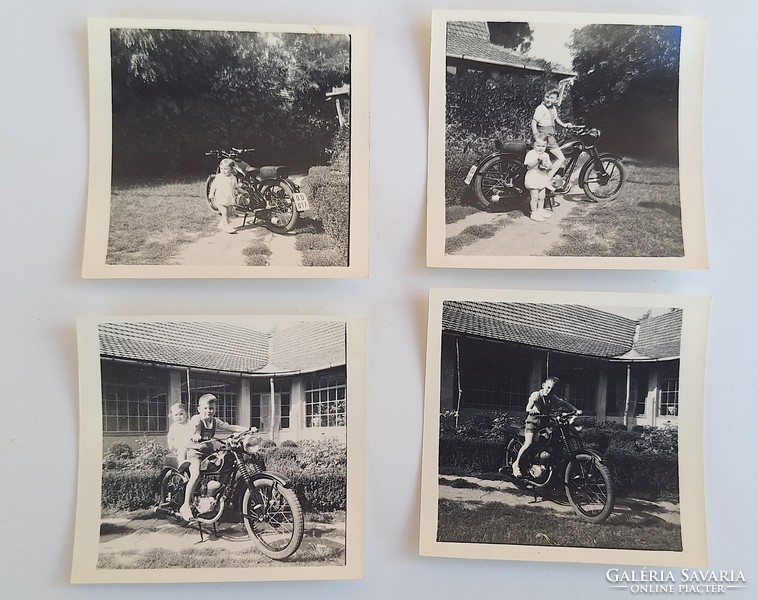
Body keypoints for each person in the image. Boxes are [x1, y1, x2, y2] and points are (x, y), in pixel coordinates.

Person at [179, 394, 248, 522]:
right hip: (195, 452)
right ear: (199, 409)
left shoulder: (215, 421)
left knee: (226, 465)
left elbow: (230, 427)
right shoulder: (196, 419)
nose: (208, 411)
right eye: (205, 408)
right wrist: (196, 435)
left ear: (215, 409)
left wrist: (247, 429)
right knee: (196, 474)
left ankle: (213, 496)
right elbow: (194, 428)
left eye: (211, 408)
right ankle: (185, 505)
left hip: (208, 452)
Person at [512, 377, 581, 478]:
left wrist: (575, 410)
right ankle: (516, 464)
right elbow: (528, 406)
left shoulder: (553, 398)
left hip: (544, 424)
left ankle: (547, 465)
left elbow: (564, 403)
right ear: (543, 385)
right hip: (533, 423)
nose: (549, 391)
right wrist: (531, 410)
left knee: (554, 441)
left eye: (552, 389)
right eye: (548, 387)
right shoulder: (536, 395)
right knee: (529, 443)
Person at [531, 87, 573, 190]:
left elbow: (555, 118)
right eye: (547, 97)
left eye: (551, 98)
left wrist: (564, 125)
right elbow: (534, 122)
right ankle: (547, 180)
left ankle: (548, 177)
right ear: (544, 96)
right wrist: (536, 136)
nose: (548, 100)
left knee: (549, 159)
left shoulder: (552, 108)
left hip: (550, 136)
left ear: (556, 100)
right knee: (561, 158)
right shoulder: (541, 108)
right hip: (545, 136)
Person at [524, 133, 554, 222]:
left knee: (542, 196)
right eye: (538, 146)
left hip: (542, 177)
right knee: (535, 197)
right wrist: (538, 160)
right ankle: (534, 213)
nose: (541, 148)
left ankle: (541, 210)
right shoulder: (531, 154)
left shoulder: (545, 155)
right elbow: (529, 166)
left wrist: (548, 166)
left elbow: (550, 166)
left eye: (543, 146)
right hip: (533, 177)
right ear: (533, 144)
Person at [208, 158, 239, 234]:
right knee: (224, 212)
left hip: (229, 199)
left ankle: (222, 224)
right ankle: (226, 225)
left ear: (231, 169)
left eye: (226, 169)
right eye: (221, 169)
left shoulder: (233, 178)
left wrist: (243, 191)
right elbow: (214, 186)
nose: (223, 171)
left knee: (229, 212)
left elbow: (236, 187)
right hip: (220, 199)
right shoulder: (219, 177)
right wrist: (211, 194)